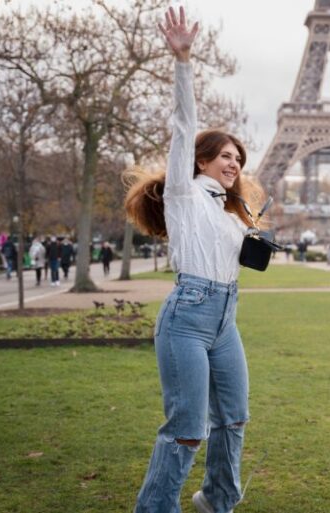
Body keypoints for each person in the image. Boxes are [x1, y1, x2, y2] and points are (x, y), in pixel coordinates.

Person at [123, 7, 266, 513]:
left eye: (239, 160)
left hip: (226, 316)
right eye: (225, 156)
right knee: (186, 428)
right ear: (201, 160)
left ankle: (217, 501)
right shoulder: (184, 195)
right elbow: (183, 123)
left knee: (234, 417)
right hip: (188, 315)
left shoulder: (232, 210)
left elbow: (234, 258)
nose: (233, 164)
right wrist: (184, 61)